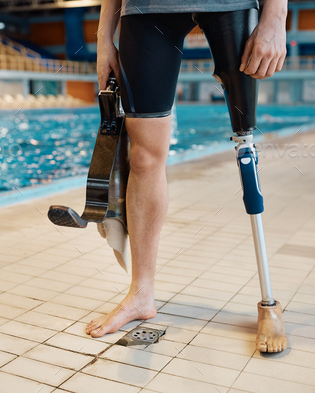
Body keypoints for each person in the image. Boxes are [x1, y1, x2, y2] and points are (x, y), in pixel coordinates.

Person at [85, 0, 288, 353]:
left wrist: (276, 17)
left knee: (245, 144)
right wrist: (105, 38)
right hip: (147, 8)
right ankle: (141, 295)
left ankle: (268, 301)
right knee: (143, 157)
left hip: (231, 4)